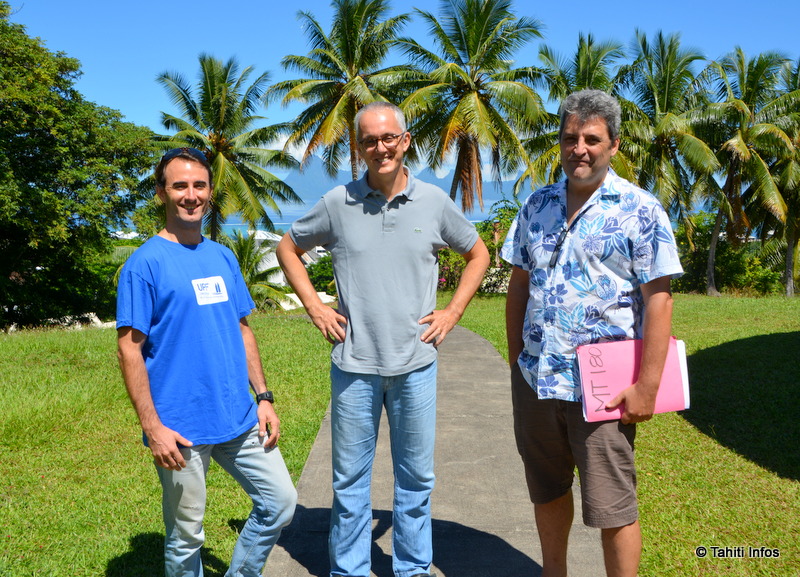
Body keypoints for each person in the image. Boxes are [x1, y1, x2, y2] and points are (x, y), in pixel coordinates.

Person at [277, 101, 490, 577]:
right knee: (349, 482)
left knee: (415, 480)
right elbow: (288, 247)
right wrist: (315, 307)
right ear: (359, 147)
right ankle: (349, 569)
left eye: (389, 137)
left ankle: (412, 568)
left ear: (405, 140)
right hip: (354, 366)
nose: (380, 148)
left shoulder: (433, 201)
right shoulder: (337, 203)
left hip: (416, 364)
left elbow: (478, 254)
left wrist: (453, 312)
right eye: (370, 140)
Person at [502, 89, 683, 577]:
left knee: (613, 505)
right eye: (570, 138)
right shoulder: (536, 205)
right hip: (537, 380)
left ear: (614, 145)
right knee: (546, 489)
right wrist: (517, 360)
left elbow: (659, 299)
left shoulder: (640, 209)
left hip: (604, 389)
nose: (578, 149)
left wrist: (647, 385)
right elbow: (518, 284)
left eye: (591, 139)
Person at [116, 147, 297, 577]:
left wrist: (264, 397)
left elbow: (242, 329)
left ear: (210, 192)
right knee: (187, 536)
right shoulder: (144, 265)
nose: (191, 195)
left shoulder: (222, 256)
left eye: (199, 185)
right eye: (179, 186)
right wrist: (153, 428)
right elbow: (129, 349)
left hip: (238, 415)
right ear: (162, 192)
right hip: (180, 426)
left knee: (281, 502)